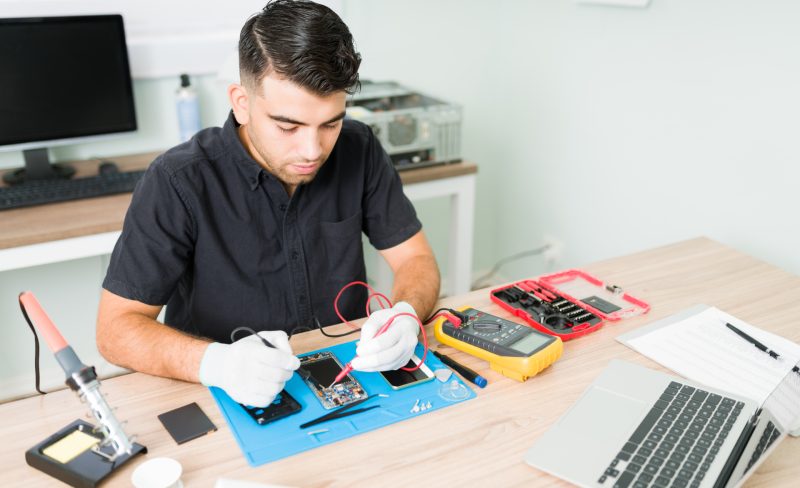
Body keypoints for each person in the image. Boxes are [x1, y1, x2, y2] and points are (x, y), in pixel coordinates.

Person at [96, 0, 440, 408]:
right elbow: (115, 331)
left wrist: (405, 313)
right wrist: (217, 363)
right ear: (242, 103)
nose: (312, 150)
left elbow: (415, 259)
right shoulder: (178, 180)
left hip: (345, 376)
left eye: (330, 123)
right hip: (221, 393)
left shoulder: (359, 148)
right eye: (287, 126)